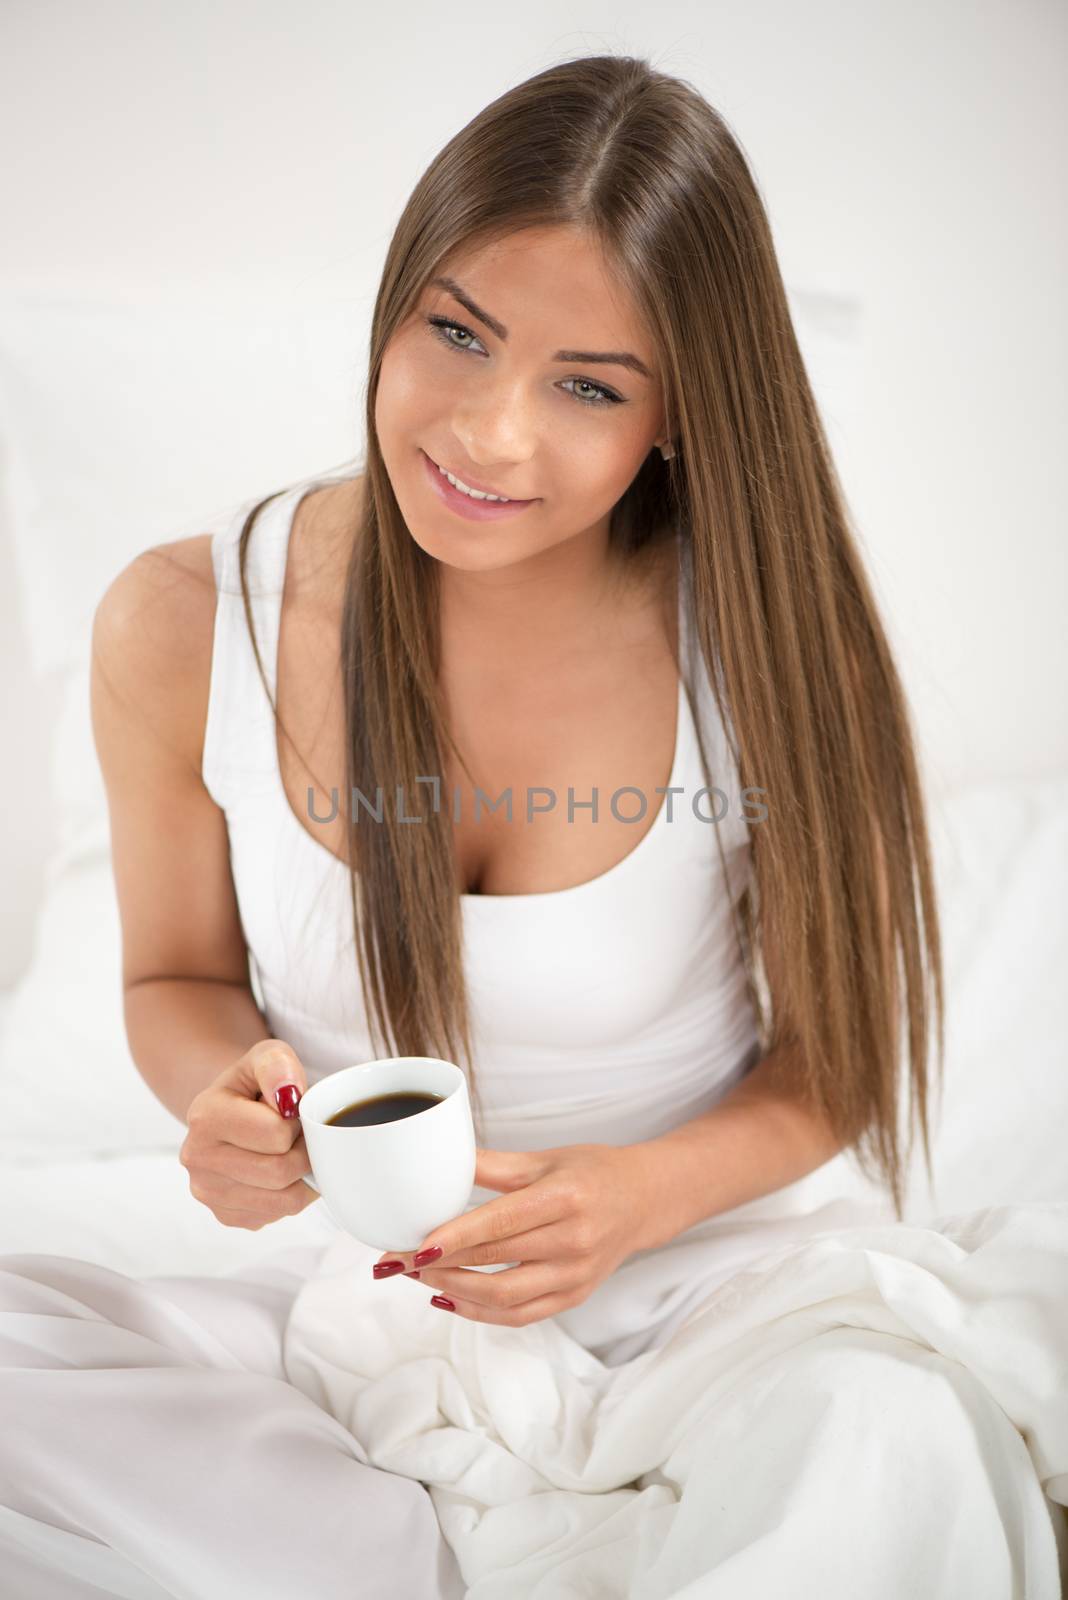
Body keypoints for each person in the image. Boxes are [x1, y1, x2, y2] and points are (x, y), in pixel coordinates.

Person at [0, 51, 957, 1599]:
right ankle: (402, 1539)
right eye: (457, 331)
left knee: (879, 1443)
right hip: (381, 1304)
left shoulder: (768, 644)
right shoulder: (188, 619)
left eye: (587, 384)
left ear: (680, 419)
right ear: (393, 302)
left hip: (721, 1286)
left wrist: (633, 1201)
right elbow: (174, 982)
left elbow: (840, 1057)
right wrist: (227, 1105)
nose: (489, 432)